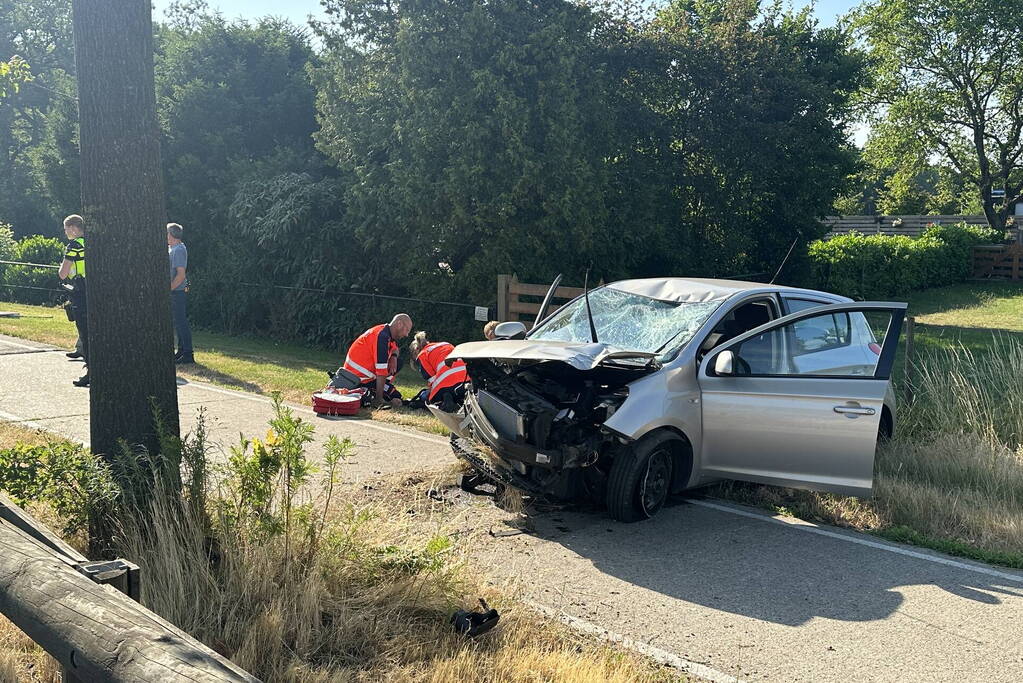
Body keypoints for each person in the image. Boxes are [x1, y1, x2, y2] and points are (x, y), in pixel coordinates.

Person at [341, 314, 413, 408]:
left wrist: (393, 357)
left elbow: (395, 348)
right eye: (406, 330)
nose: (406, 335)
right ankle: (378, 395)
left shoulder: (385, 332)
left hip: (362, 377)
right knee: (394, 395)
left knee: (398, 364)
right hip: (358, 380)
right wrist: (379, 399)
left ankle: (381, 392)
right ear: (399, 324)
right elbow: (381, 371)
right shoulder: (382, 337)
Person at [57, 214, 89, 387]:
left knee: (84, 332)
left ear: (74, 228)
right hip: (94, 290)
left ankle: (90, 370)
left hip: (79, 290)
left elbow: (63, 273)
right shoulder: (91, 242)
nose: (65, 232)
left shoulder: (74, 245)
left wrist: (61, 271)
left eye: (66, 228)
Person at [408, 332, 468, 412]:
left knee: (426, 395)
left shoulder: (422, 355)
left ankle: (445, 399)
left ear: (416, 351)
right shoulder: (445, 344)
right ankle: (458, 400)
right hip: (465, 380)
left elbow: (432, 381)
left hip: (446, 385)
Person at [167, 223, 194, 364]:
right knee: (177, 322)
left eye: (166, 233)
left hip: (177, 291)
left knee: (181, 321)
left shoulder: (178, 250)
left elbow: (181, 275)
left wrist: (169, 288)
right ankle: (181, 351)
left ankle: (188, 353)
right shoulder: (171, 249)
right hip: (174, 290)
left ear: (172, 235)